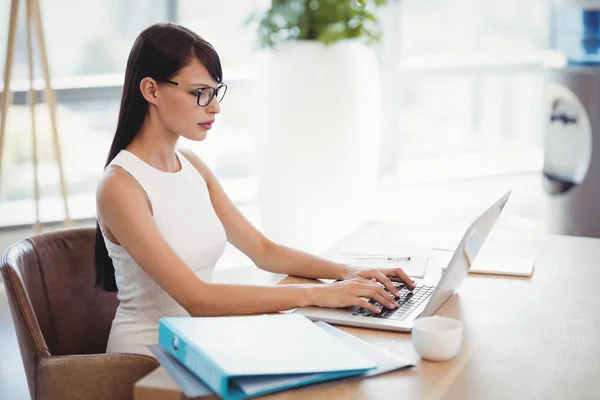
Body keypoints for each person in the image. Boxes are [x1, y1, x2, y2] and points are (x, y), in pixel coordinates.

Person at [95, 23, 415, 357]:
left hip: (198, 346)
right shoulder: (120, 185)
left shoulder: (191, 164)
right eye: (199, 93)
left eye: (216, 92)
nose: (215, 107)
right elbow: (198, 298)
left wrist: (344, 272)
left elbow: (263, 250)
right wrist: (318, 294)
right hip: (146, 360)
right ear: (151, 90)